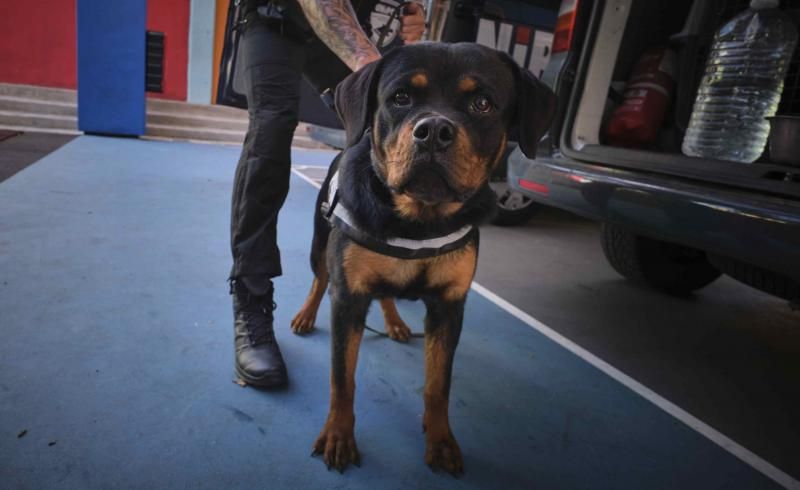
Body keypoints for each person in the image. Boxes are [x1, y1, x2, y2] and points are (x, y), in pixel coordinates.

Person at [229, 0, 426, 387]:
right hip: (275, 19)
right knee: (270, 132)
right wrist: (379, 69)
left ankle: (382, 267)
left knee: (381, 130)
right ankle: (251, 302)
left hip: (350, 26)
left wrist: (414, 11)